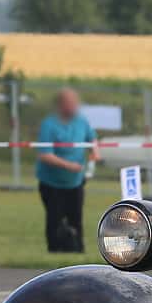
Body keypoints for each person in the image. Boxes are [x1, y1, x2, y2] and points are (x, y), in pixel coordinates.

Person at [35, 88, 97, 253]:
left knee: (76, 218)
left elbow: (92, 139)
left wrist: (94, 152)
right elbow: (45, 155)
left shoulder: (82, 121)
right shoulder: (49, 125)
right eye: (69, 104)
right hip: (52, 182)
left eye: (75, 103)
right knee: (55, 219)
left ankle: (77, 250)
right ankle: (55, 250)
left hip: (75, 182)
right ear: (61, 105)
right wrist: (70, 166)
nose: (73, 107)